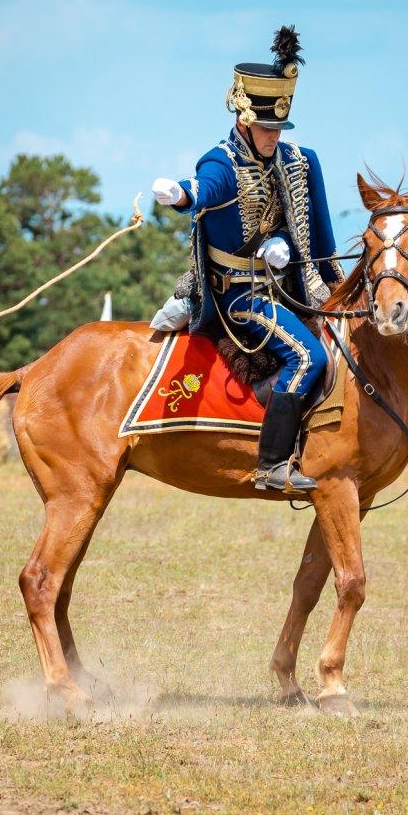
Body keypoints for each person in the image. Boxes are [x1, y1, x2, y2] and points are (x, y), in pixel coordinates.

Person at [150, 25, 343, 495]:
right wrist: (182, 196)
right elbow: (208, 191)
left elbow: (308, 226)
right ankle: (272, 465)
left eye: (279, 127)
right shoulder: (219, 161)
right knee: (307, 357)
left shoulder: (295, 159)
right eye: (265, 127)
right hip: (239, 298)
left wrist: (284, 245)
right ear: (243, 122)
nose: (273, 136)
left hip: (287, 286)